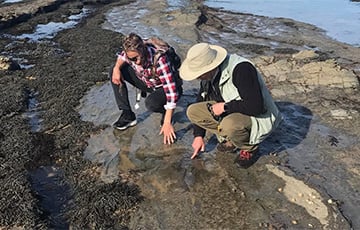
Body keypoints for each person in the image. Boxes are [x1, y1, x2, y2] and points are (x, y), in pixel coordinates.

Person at [179, 43, 282, 168]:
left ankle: (250, 148)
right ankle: (233, 138)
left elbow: (256, 107)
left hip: (259, 116)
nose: (198, 78)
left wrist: (225, 107)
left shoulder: (242, 69)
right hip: (234, 111)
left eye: (200, 74)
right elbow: (200, 101)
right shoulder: (207, 77)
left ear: (210, 67)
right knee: (192, 111)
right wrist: (199, 135)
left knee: (229, 125)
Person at [110, 33, 182, 145]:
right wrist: (116, 68)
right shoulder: (130, 53)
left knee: (151, 103)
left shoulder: (160, 59)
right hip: (148, 83)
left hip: (166, 87)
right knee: (114, 72)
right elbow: (122, 57)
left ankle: (165, 112)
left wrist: (167, 122)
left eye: (136, 58)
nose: (135, 62)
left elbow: (172, 93)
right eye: (131, 59)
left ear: (143, 50)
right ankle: (127, 114)